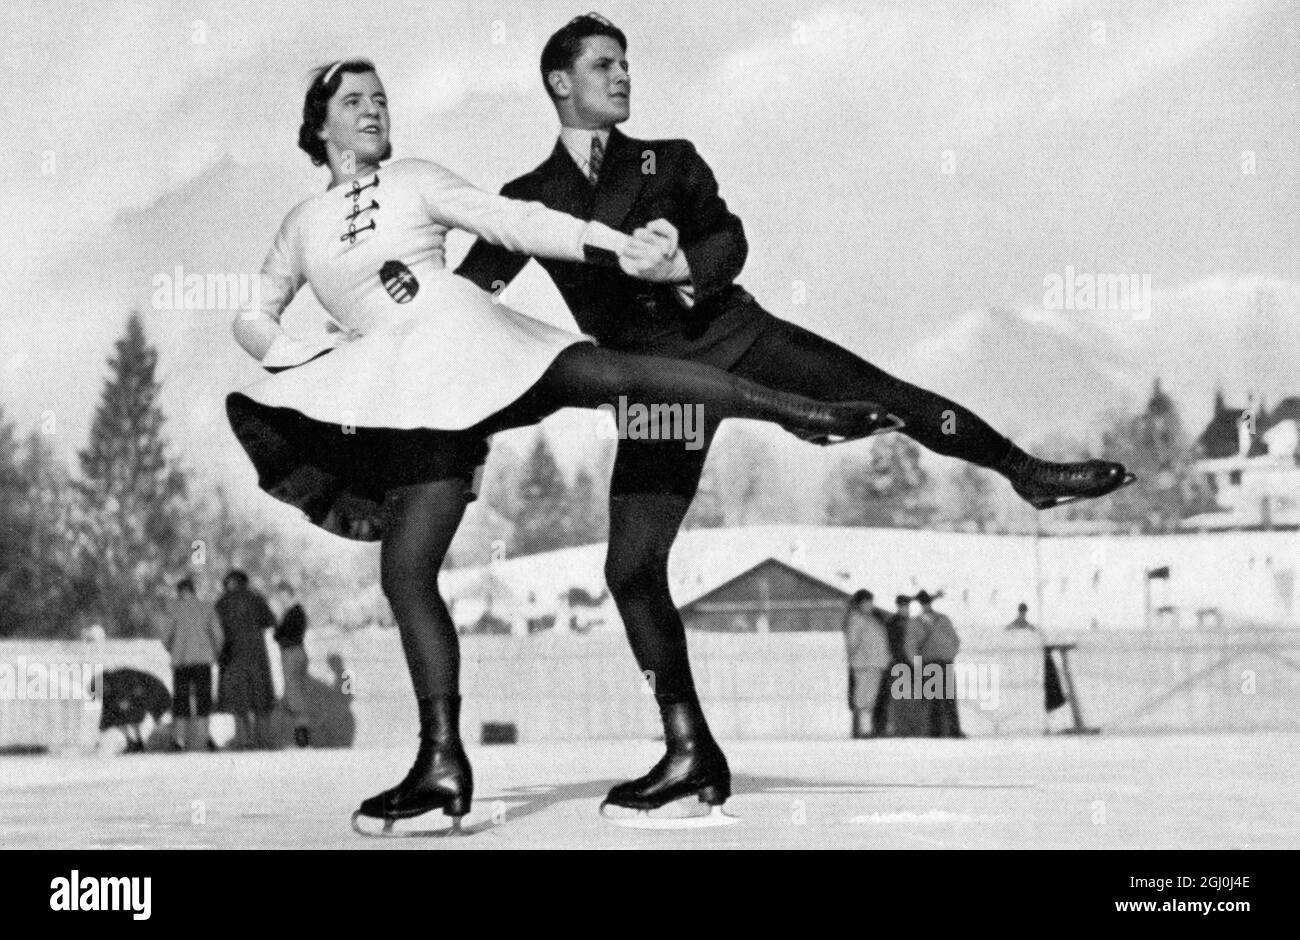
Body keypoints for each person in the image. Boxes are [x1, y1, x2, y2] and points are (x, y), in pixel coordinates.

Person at [455, 13, 1133, 814]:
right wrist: (397, 300)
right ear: (559, 83)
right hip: (656, 388)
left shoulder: (669, 160)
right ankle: (690, 752)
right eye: (604, 64)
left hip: (735, 336)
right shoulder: (530, 200)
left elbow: (728, 238)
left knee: (894, 398)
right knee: (629, 572)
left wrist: (683, 266)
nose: (624, 76)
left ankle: (1027, 473)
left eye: (627, 63)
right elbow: (471, 292)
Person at [224, 59, 896, 835]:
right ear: (319, 126)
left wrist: (608, 246)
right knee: (406, 574)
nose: (373, 109)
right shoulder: (299, 228)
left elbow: (515, 221)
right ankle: (440, 762)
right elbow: (255, 315)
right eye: (354, 101)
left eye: (381, 97)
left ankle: (797, 408)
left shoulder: (414, 178)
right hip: (405, 392)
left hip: (467, 336)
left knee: (627, 378)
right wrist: (305, 357)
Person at [215, 570, 277, 750]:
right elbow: (270, 621)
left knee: (238, 700)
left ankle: (244, 739)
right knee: (260, 699)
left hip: (232, 656)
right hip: (257, 657)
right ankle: (263, 740)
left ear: (229, 583)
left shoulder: (223, 602)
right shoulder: (256, 598)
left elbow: (214, 628)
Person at [160, 577, 223, 752]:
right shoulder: (207, 607)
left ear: (179, 592)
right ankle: (205, 738)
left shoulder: (173, 610)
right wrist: (214, 652)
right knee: (204, 700)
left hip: (181, 661)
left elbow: (165, 638)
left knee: (181, 701)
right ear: (193, 591)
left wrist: (174, 650)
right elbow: (218, 635)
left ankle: (179, 740)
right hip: (203, 661)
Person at [911, 590, 963, 738]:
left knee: (944, 698)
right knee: (940, 699)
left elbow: (954, 639)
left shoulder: (932, 620)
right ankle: (944, 731)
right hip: (935, 662)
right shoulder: (939, 619)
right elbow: (955, 640)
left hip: (937, 662)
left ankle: (944, 731)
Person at [842, 590, 893, 738]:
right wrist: (853, 658)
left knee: (870, 699)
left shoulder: (871, 619)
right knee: (863, 698)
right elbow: (852, 642)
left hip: (875, 663)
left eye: (870, 602)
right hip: (864, 663)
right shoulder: (856, 619)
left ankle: (867, 728)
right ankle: (862, 729)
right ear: (860, 604)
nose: (870, 605)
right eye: (866, 602)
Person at [273, 581, 312, 748]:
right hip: (294, 652)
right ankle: (299, 729)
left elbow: (283, 634)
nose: (280, 598)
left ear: (288, 594)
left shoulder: (294, 612)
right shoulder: (293, 611)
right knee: (294, 689)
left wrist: (279, 633)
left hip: (292, 652)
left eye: (282, 594)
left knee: (293, 689)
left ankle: (301, 730)